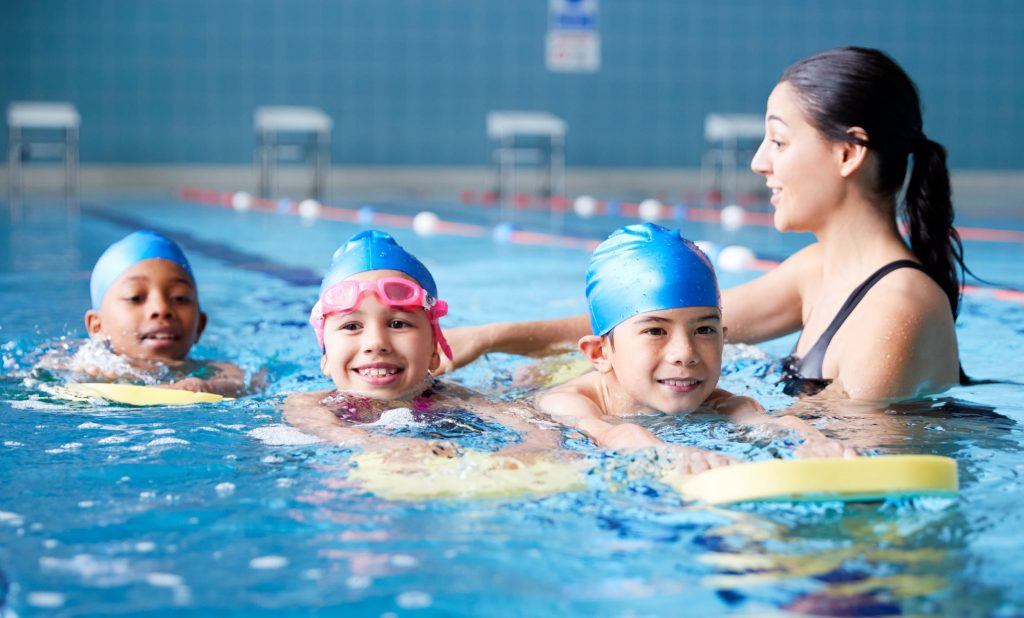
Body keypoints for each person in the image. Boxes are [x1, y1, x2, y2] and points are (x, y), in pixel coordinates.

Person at [444, 47, 965, 402]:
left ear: (848, 152)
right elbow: (647, 321)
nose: (760, 162)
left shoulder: (898, 307)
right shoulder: (820, 270)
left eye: (779, 142)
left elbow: (844, 462)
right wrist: (491, 339)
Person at [536, 223, 855, 462]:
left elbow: (759, 421)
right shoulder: (566, 403)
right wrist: (663, 453)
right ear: (600, 353)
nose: (685, 354)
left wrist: (810, 439)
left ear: (724, 339)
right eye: (655, 332)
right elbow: (609, 432)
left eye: (704, 330)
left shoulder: (721, 402)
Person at [282, 230, 563, 461]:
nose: (376, 343)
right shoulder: (309, 404)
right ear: (325, 358)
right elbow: (334, 433)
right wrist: (384, 447)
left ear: (433, 352)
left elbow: (536, 428)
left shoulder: (454, 399)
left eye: (398, 324)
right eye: (351, 326)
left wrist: (529, 451)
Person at [42, 230, 247, 396]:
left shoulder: (214, 372)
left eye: (180, 297)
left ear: (200, 325)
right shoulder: (87, 365)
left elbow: (244, 384)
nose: (161, 309)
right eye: (135, 297)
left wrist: (204, 387)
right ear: (97, 326)